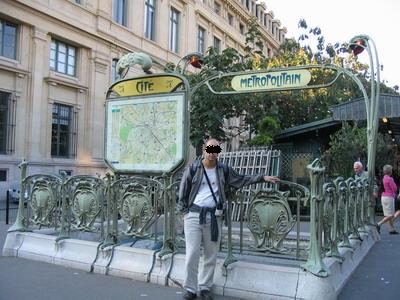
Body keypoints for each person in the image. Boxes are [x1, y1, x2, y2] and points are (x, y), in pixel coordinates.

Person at [178, 138, 279, 300]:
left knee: (210, 254)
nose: (212, 153)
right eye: (209, 149)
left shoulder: (223, 170)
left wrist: (262, 178)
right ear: (204, 150)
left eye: (216, 150)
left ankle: (204, 287)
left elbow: (242, 179)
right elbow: (183, 191)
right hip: (194, 216)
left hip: (214, 216)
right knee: (192, 254)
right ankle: (190, 289)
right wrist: (185, 212)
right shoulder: (193, 168)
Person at [377, 164, 400, 234]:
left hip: (383, 197)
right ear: (390, 171)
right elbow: (395, 189)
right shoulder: (390, 179)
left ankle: (391, 229)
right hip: (389, 197)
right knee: (391, 215)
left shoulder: (383, 178)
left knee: (388, 214)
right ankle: (378, 224)